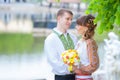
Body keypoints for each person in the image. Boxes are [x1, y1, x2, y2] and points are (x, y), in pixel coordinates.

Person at [44, 9, 78, 80]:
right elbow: (53, 61)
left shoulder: (73, 37)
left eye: (71, 19)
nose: (70, 22)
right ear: (59, 18)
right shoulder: (51, 39)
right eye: (67, 19)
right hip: (61, 77)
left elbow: (78, 56)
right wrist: (70, 69)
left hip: (76, 76)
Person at [73, 14, 99, 80]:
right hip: (77, 77)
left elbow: (94, 65)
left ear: (86, 27)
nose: (76, 27)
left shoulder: (90, 42)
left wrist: (78, 68)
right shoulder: (80, 42)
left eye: (78, 25)